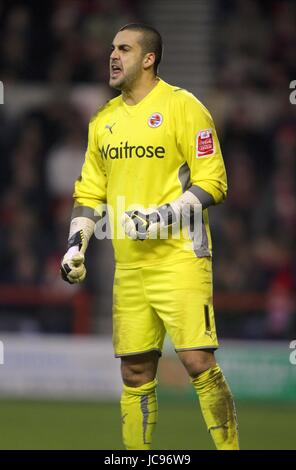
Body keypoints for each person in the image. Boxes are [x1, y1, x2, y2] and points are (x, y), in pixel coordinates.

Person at [61, 23, 239, 450]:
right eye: (111, 48)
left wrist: (163, 216)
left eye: (124, 48)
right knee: (135, 373)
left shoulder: (183, 107)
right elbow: (89, 191)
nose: (113, 55)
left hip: (180, 257)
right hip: (130, 264)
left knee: (198, 361)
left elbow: (214, 181)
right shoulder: (103, 120)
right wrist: (76, 245)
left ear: (148, 58)